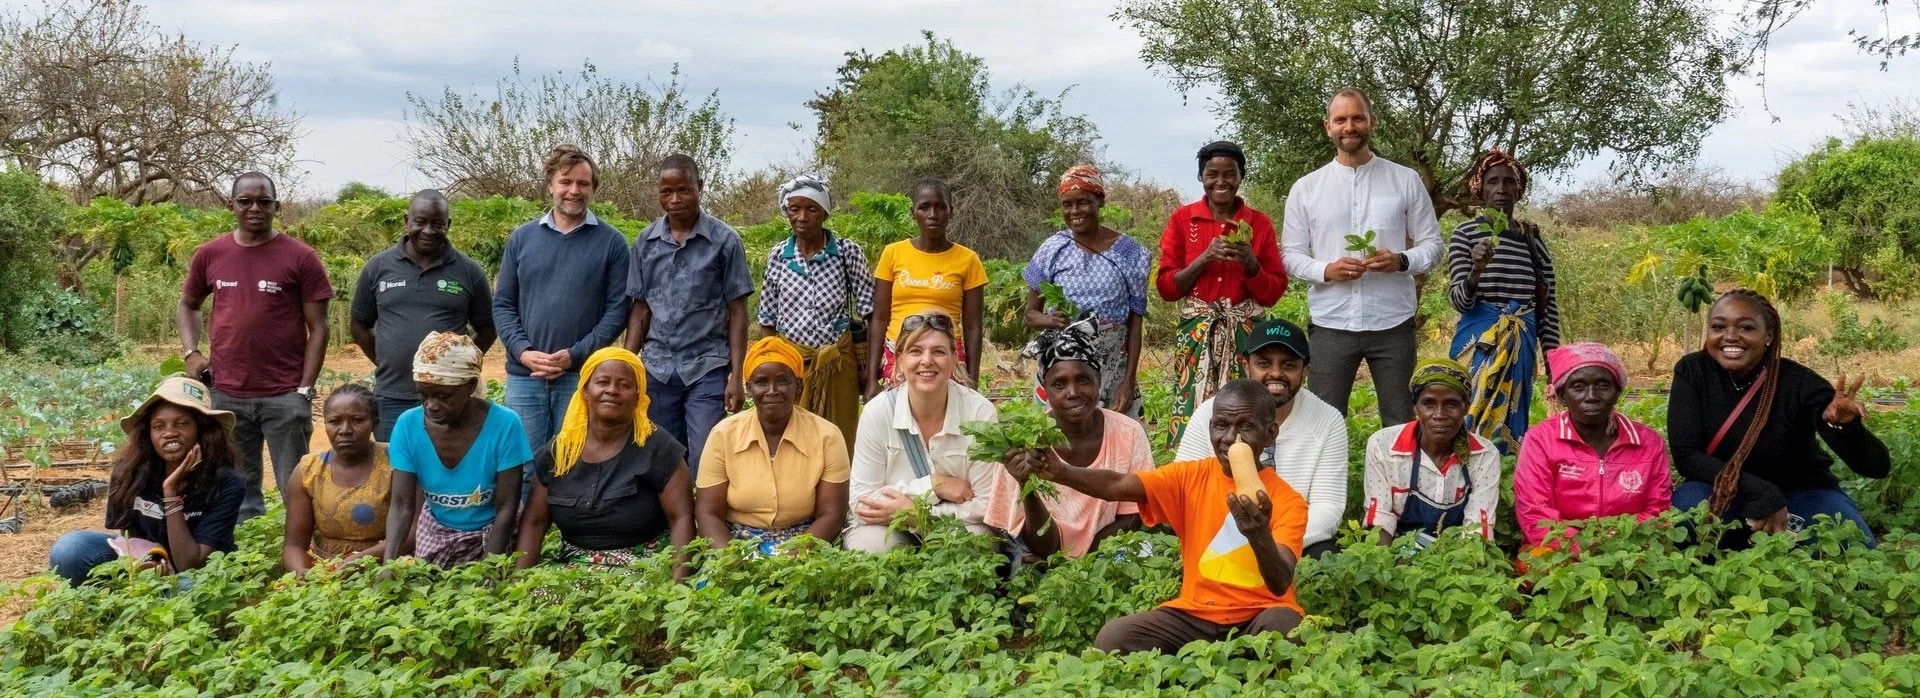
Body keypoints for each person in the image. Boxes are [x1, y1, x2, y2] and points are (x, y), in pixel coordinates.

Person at [1022, 379, 1308, 653]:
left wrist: (1259, 534)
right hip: (1195, 614)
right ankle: (1223, 661)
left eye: (1246, 427)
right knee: (1114, 637)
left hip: (1259, 616)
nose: (1230, 438)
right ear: (1210, 428)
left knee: (1286, 629)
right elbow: (1117, 485)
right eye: (1221, 425)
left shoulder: (1288, 501)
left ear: (1270, 433)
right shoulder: (1189, 477)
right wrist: (1061, 472)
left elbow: (1281, 582)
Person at [1668, 290, 1889, 548]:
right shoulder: (1693, 371)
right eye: (1718, 327)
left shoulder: (1798, 383)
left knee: (1849, 541)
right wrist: (1763, 492)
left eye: (1746, 327)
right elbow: (1687, 457)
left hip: (1801, 493)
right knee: (1685, 516)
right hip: (1722, 489)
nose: (1729, 336)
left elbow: (1876, 467)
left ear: (1769, 336)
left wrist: (1846, 427)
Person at [1281, 88, 1442, 428]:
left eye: (1357, 118)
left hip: (1393, 323)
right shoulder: (1307, 188)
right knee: (1322, 423)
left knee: (1400, 420)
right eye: (1340, 119)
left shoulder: (1405, 180)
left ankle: (1397, 483)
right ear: (1328, 127)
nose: (1349, 126)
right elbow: (1291, 256)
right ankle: (1325, 484)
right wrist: (1327, 269)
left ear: (1372, 122)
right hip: (1331, 323)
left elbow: (1432, 245)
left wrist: (1401, 261)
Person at [176, 171, 331, 521]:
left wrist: (303, 389)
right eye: (245, 202)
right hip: (227, 393)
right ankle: (244, 556)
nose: (255, 209)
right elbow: (187, 304)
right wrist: (191, 352)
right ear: (232, 205)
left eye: (264, 202)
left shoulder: (301, 257)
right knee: (237, 486)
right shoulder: (211, 254)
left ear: (277, 206)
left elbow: (319, 327)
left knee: (296, 485)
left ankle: (301, 553)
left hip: (284, 394)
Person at [493, 144, 632, 452]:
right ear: (550, 186)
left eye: (583, 183)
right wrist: (523, 351)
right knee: (523, 466)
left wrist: (576, 354)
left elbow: (617, 312)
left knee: (574, 461)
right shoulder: (522, 238)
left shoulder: (612, 243)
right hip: (525, 376)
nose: (574, 190)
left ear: (593, 188)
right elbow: (503, 304)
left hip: (581, 378)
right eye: (566, 182)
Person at [625, 153, 754, 478]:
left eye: (683, 190)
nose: (674, 199)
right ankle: (671, 523)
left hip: (707, 367)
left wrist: (736, 378)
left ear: (700, 187)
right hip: (657, 368)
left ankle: (704, 523)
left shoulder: (724, 242)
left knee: (706, 457)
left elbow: (737, 312)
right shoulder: (645, 243)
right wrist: (627, 365)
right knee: (662, 456)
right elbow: (640, 308)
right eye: (666, 192)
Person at [1174, 319, 1348, 558]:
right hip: (1219, 536)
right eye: (1264, 363)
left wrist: (1267, 543)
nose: (1275, 373)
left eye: (1288, 365)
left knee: (1326, 559)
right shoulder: (1211, 412)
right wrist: (1236, 542)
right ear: (1246, 365)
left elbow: (1328, 507)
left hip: (1294, 540)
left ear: (1305, 370)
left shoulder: (1327, 420)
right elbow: (1184, 491)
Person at [515, 347, 695, 577]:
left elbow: (681, 517)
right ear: (586, 391)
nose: (612, 390)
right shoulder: (559, 451)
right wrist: (516, 582)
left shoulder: (658, 446)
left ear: (637, 397)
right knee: (541, 599)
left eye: (624, 385)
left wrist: (678, 586)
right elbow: (534, 522)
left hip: (642, 564)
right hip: (573, 564)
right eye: (602, 382)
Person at [48, 376, 243, 586]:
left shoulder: (226, 483)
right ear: (148, 433)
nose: (169, 433)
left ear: (202, 430)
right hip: (149, 563)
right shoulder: (129, 471)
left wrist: (171, 492)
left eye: (182, 423)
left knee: (188, 586)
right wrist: (148, 563)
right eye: (159, 426)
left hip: (197, 570)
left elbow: (191, 564)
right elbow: (131, 538)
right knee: (70, 548)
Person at [1155, 141, 1287, 449]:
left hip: (1245, 334)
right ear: (1201, 177)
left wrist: (1251, 263)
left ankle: (1246, 468)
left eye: (1230, 174)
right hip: (1197, 332)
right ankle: (1194, 472)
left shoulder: (1258, 224)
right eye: (1212, 174)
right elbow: (1166, 288)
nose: (1221, 182)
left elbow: (1273, 292)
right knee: (1193, 409)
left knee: (1245, 408)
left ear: (1241, 177)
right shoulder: (1182, 220)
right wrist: (1203, 258)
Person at [986, 323, 1153, 559]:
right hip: (1042, 554)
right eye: (1059, 384)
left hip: (1105, 552)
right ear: (1045, 390)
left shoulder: (1128, 433)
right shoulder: (1023, 442)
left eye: (1083, 380)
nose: (1072, 392)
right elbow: (1040, 546)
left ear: (1099, 381)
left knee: (1140, 552)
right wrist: (1026, 485)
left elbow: (1134, 514)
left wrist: (1086, 562)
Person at [350, 189, 496, 441]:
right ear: (406, 221)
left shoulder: (469, 271)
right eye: (420, 222)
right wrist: (386, 360)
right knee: (395, 472)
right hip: (392, 395)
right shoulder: (378, 267)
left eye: (437, 224)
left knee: (447, 470)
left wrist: (455, 365)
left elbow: (487, 329)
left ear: (448, 225)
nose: (428, 230)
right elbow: (360, 325)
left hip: (450, 399)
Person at [846, 312, 999, 552]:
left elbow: (989, 504)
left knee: (975, 545)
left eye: (938, 351)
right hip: (890, 525)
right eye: (916, 351)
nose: (927, 360)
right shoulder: (878, 413)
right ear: (899, 361)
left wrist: (917, 514)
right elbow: (862, 502)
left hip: (960, 525)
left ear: (954, 359)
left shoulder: (980, 413)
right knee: (870, 547)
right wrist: (933, 485)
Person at [384, 333, 532, 567]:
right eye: (424, 395)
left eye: (444, 396)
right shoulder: (408, 425)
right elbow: (402, 505)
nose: (431, 406)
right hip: (436, 531)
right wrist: (389, 564)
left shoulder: (505, 424)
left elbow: (506, 507)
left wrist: (489, 567)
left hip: (495, 534)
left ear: (470, 386)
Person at [1447, 149, 1560, 453]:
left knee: (1511, 418)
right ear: (1480, 189)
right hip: (1477, 343)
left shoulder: (1532, 239)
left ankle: (1505, 476)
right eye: (1493, 182)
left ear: (1520, 190)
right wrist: (1476, 271)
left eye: (1509, 182)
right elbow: (1459, 301)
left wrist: (1554, 362)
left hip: (1521, 342)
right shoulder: (1466, 234)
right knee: (1463, 413)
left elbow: (1546, 306)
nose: (1501, 189)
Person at [695, 337, 851, 553]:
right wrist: (730, 561)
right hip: (734, 540)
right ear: (748, 388)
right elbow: (707, 513)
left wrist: (793, 560)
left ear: (798, 386)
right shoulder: (723, 435)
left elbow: (832, 515)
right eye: (761, 382)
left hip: (805, 540)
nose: (772, 390)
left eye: (783, 381)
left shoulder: (827, 436)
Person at [755, 174, 874, 454]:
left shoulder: (846, 253)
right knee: (794, 438)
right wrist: (771, 364)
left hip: (837, 361)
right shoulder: (779, 256)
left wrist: (871, 371)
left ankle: (840, 495)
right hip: (794, 363)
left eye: (811, 209)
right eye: (794, 209)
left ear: (824, 213)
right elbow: (767, 318)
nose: (802, 217)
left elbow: (871, 310)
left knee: (841, 436)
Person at [1513, 343, 1670, 548]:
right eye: (1578, 387)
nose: (1591, 396)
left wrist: (1616, 548)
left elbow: (1657, 511)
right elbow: (1535, 515)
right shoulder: (1540, 440)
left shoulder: (1648, 443)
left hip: (1629, 553)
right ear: (1562, 396)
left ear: (1617, 393)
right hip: (1559, 549)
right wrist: (1587, 548)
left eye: (1603, 386)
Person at [868, 178, 988, 395]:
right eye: (924, 207)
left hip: (946, 355)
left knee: (946, 423)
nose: (933, 214)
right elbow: (879, 318)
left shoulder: (968, 260)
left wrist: (972, 382)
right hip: (899, 354)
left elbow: (973, 326)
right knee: (899, 421)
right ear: (913, 211)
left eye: (940, 207)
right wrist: (870, 381)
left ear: (951, 211)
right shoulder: (893, 254)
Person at [1361, 358, 1500, 542]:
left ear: (1465, 407)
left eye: (1451, 404)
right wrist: (1386, 566)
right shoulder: (1383, 446)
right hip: (1396, 549)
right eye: (1429, 404)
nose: (1439, 415)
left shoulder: (1484, 455)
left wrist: (1460, 567)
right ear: (1415, 406)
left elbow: (1476, 531)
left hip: (1456, 555)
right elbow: (1379, 523)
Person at [282, 384, 391, 576]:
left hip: (384, 565)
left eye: (357, 420)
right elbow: (294, 544)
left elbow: (411, 533)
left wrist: (360, 560)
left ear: (375, 423)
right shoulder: (309, 471)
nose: (345, 430)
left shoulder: (396, 464)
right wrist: (302, 574)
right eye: (334, 421)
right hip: (324, 569)